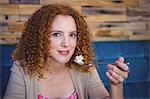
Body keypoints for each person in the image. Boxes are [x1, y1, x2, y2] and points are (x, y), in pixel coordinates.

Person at [4, 4, 129, 99]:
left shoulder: (85, 68)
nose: (67, 44)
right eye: (56, 34)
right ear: (40, 37)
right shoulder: (21, 69)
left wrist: (116, 84)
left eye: (72, 35)